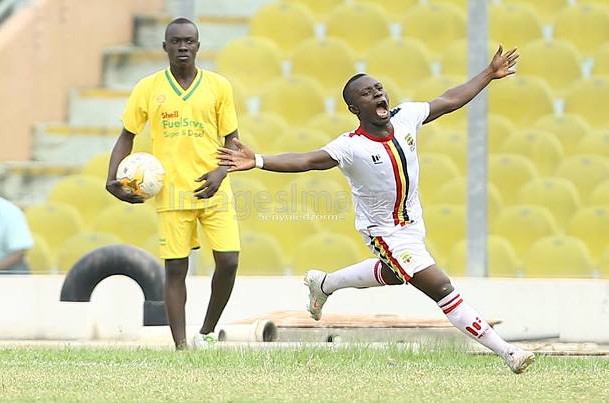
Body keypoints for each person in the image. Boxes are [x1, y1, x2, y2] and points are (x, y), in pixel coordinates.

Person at [218, 45, 535, 373]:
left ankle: (324, 283)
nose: (377, 94)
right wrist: (257, 160)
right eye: (367, 94)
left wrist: (488, 74)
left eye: (379, 88)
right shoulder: (350, 146)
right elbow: (307, 160)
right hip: (384, 232)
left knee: (396, 275)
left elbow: (450, 99)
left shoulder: (407, 116)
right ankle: (508, 352)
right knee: (441, 288)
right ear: (355, 108)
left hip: (413, 223)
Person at [106, 18, 240, 349]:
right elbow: (127, 136)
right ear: (165, 47)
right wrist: (112, 179)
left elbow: (233, 140)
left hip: (214, 188)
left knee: (229, 260)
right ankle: (181, 347)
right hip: (171, 192)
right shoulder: (148, 88)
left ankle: (206, 332)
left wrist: (221, 172)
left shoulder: (218, 86)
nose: (183, 47)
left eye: (189, 41)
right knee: (176, 269)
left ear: (198, 46)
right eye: (176, 41)